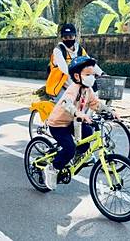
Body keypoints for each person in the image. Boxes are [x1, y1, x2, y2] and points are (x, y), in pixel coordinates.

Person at [42, 56, 116, 190]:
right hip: (58, 124)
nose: (91, 78)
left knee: (88, 132)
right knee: (69, 148)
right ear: (77, 76)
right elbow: (66, 103)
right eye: (88, 74)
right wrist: (79, 113)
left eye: (92, 75)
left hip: (72, 122)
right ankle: (52, 168)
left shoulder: (88, 90)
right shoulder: (73, 88)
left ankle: (77, 155)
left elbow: (95, 104)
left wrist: (110, 112)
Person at [45, 24, 104, 101]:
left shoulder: (79, 50)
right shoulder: (58, 50)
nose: (68, 39)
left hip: (75, 85)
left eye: (71, 37)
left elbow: (90, 63)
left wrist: (101, 73)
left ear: (75, 37)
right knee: (65, 107)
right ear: (62, 38)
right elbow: (65, 69)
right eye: (65, 37)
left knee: (89, 101)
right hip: (59, 87)